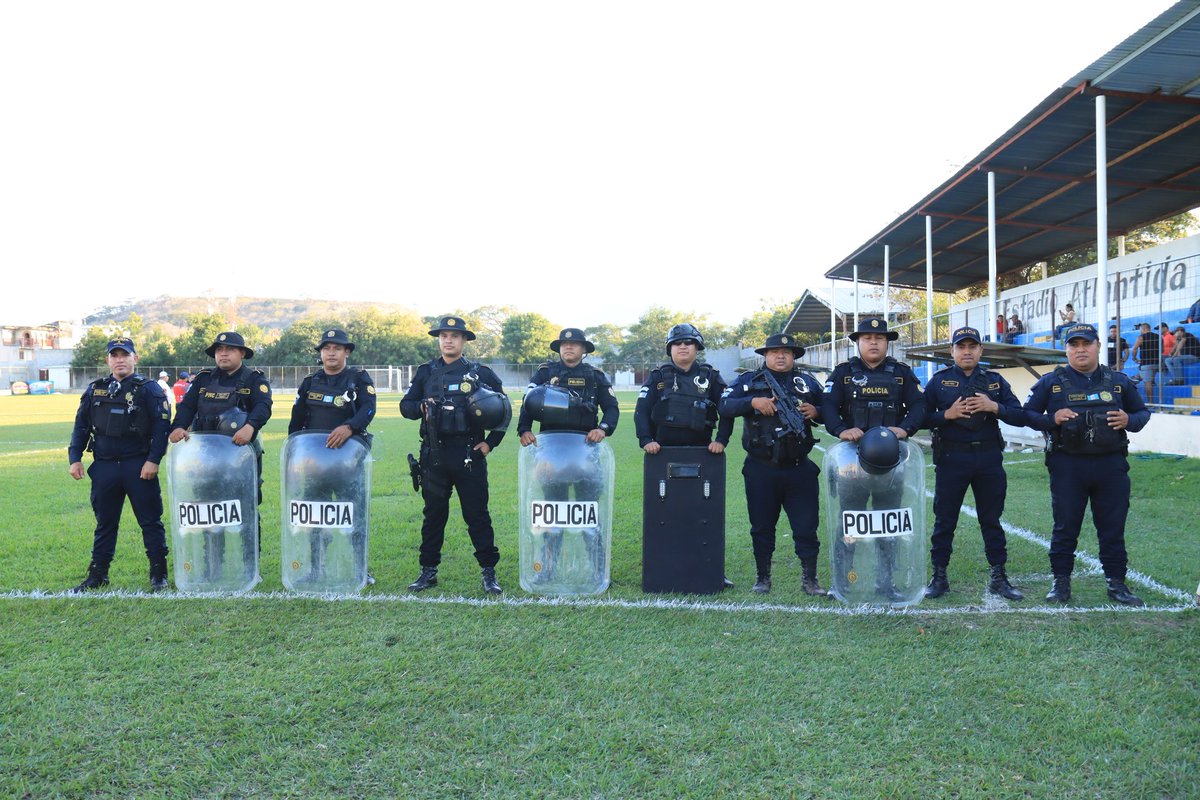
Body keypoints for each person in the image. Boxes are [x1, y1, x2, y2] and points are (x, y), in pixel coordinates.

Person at [1023, 323, 1151, 606]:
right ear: (1067, 349)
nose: (1080, 349)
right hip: (1068, 465)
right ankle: (1061, 584)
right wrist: (1051, 420)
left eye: (1086, 344)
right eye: (1074, 345)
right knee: (1065, 526)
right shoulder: (1051, 382)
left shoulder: (1118, 381)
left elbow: (1142, 412)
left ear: (1097, 346)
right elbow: (1027, 414)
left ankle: (1117, 584)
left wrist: (1130, 421)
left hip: (1111, 466)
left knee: (1112, 527)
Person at [400, 316, 510, 595]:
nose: (448, 340)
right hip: (434, 456)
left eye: (454, 336)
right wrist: (421, 407)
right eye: (443, 336)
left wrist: (491, 444)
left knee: (477, 515)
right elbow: (406, 406)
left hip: (469, 454)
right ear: (439, 340)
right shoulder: (426, 372)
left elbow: (504, 410)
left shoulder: (479, 373)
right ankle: (428, 571)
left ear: (464, 340)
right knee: (433, 516)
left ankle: (489, 572)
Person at [821, 317, 925, 602]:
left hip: (892, 462)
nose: (874, 342)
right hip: (851, 462)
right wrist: (842, 429)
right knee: (850, 522)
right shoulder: (843, 373)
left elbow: (919, 405)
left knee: (888, 522)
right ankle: (843, 582)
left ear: (887, 342)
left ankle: (886, 582)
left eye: (879, 338)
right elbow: (827, 405)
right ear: (857, 342)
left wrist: (905, 428)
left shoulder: (901, 373)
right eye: (867, 338)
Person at [921, 327, 1026, 600]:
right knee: (945, 520)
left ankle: (999, 576)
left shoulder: (994, 381)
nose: (967, 351)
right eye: (961, 346)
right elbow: (919, 418)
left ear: (981, 350)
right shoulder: (938, 382)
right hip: (951, 458)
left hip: (989, 458)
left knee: (991, 519)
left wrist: (995, 408)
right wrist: (947, 414)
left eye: (972, 346)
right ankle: (939, 576)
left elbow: (1020, 415)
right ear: (952, 351)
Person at [719, 333, 826, 595]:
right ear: (765, 355)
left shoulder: (808, 382)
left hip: (799, 468)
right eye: (775, 351)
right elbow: (723, 405)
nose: (781, 356)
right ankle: (763, 577)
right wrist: (752, 402)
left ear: (793, 356)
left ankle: (809, 579)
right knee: (762, 526)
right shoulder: (747, 381)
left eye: (786, 352)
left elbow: (833, 409)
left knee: (806, 526)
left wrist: (817, 412)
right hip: (761, 468)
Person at [67, 337, 172, 592]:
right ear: (108, 360)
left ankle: (158, 574)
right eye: (114, 355)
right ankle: (98, 574)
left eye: (125, 355)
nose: (119, 359)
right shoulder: (95, 389)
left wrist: (153, 460)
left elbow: (162, 427)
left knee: (150, 521)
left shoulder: (149, 389)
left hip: (138, 465)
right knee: (105, 522)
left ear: (135, 358)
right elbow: (81, 425)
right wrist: (75, 458)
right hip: (104, 465)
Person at [635, 322, 734, 588]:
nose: (682, 347)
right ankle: (661, 569)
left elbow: (727, 408)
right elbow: (641, 410)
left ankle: (711, 571)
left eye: (688, 343)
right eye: (677, 343)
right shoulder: (658, 377)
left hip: (703, 454)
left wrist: (721, 440)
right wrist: (646, 440)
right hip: (662, 454)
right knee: (666, 515)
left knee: (704, 515)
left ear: (696, 348)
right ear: (670, 349)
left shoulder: (710, 376)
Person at [517, 328, 619, 582]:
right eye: (564, 344)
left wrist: (603, 429)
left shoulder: (595, 377)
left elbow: (611, 409)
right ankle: (547, 571)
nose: (569, 348)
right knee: (553, 516)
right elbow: (528, 402)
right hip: (551, 455)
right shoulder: (544, 373)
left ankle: (597, 571)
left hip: (586, 454)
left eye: (574, 344)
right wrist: (524, 429)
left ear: (584, 349)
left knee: (588, 515)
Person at [169, 331, 273, 577]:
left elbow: (263, 406)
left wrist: (251, 426)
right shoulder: (204, 379)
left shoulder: (253, 379)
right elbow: (187, 407)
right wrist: (178, 426)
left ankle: (250, 567)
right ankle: (212, 566)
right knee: (209, 511)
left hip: (240, 458)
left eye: (229, 349)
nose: (223, 353)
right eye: (218, 350)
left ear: (242, 353)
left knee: (245, 510)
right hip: (205, 458)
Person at [288, 328, 378, 583]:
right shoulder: (310, 382)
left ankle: (360, 569)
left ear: (346, 352)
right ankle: (316, 568)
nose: (331, 352)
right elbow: (296, 423)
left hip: (348, 464)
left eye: (336, 348)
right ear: (321, 353)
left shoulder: (358, 379)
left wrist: (349, 427)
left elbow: (369, 409)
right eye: (326, 348)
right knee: (315, 517)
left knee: (353, 515)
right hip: (314, 465)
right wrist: (293, 456)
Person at [1130, 322, 1161, 401]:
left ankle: (1151, 403)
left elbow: (1135, 348)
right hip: (1158, 362)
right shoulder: (1159, 337)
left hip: (1146, 363)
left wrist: (1134, 358)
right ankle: (1136, 377)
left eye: (1140, 330)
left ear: (1143, 329)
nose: (1140, 331)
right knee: (1149, 379)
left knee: (1148, 383)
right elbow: (1163, 349)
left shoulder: (1141, 337)